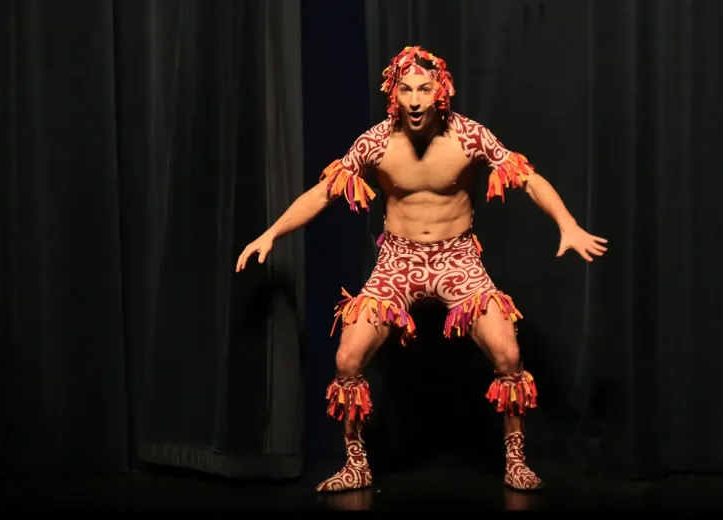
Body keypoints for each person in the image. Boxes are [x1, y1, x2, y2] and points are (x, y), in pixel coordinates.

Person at [235, 45, 608, 493]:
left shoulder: (469, 137)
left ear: (440, 92)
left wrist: (567, 224)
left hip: (458, 259)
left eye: (424, 90)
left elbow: (527, 179)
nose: (414, 100)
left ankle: (516, 460)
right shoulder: (375, 143)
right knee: (347, 360)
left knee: (509, 356)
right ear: (393, 94)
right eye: (406, 90)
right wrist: (272, 233)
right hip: (398, 260)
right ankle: (356, 464)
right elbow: (323, 193)